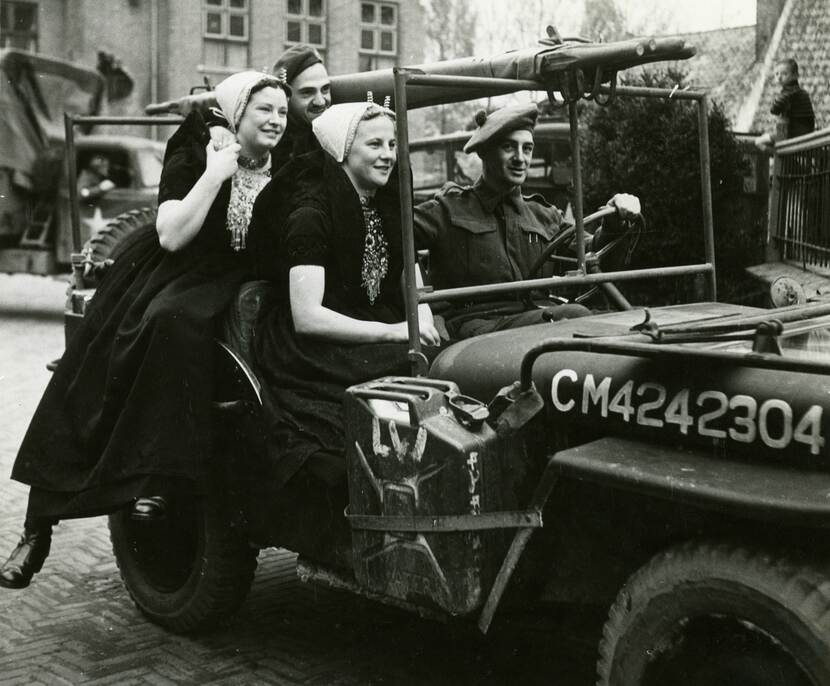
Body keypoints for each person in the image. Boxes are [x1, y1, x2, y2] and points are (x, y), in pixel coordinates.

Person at [0, 70, 290, 590]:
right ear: (238, 113)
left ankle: (158, 478)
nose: (276, 120)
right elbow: (173, 235)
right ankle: (37, 528)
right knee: (117, 355)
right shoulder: (198, 145)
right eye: (264, 109)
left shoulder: (286, 164)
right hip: (171, 270)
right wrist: (215, 173)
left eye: (283, 112)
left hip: (237, 281)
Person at [247, 101, 440, 559]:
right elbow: (308, 318)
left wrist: (423, 315)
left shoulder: (384, 201)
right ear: (342, 152)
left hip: (369, 321)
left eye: (392, 144)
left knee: (443, 361)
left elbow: (410, 276)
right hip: (307, 344)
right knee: (378, 395)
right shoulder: (312, 213)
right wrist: (396, 332)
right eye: (373, 144)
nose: (387, 154)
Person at [414, 103, 641, 339]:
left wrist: (614, 223)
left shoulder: (543, 215)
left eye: (527, 148)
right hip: (473, 330)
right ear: (484, 152)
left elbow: (594, 255)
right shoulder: (449, 209)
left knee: (624, 321)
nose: (520, 158)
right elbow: (396, 237)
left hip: (534, 319)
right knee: (575, 316)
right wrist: (424, 308)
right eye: (508, 147)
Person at [210, 44, 331, 172]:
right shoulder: (270, 138)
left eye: (325, 89)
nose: (320, 101)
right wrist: (217, 125)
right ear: (285, 98)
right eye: (307, 92)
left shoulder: (336, 129)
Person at [756, 58, 816, 151]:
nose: (779, 77)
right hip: (806, 134)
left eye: (784, 74)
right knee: (767, 136)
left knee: (759, 141)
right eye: (776, 74)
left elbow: (774, 109)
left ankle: (777, 155)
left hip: (791, 135)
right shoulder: (802, 92)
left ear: (795, 75)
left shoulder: (788, 93)